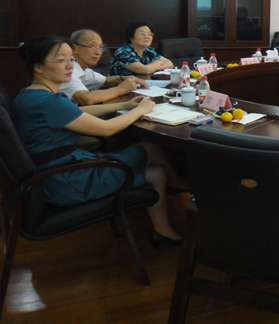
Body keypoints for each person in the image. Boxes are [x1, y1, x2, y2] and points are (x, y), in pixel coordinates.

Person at [12, 35, 185, 247]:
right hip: (67, 181)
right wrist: (140, 110)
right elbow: (108, 129)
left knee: (156, 172)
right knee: (149, 147)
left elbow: (76, 113)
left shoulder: (30, 94)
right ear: (38, 67)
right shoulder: (49, 102)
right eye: (61, 60)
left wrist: (125, 105)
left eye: (71, 59)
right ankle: (179, 185)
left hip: (51, 177)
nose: (69, 66)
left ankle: (163, 230)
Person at [59, 29, 149, 105]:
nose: (98, 52)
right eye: (92, 46)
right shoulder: (68, 70)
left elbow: (105, 81)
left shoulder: (83, 70)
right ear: (74, 48)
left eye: (101, 47)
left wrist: (129, 78)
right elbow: (86, 99)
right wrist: (120, 89)